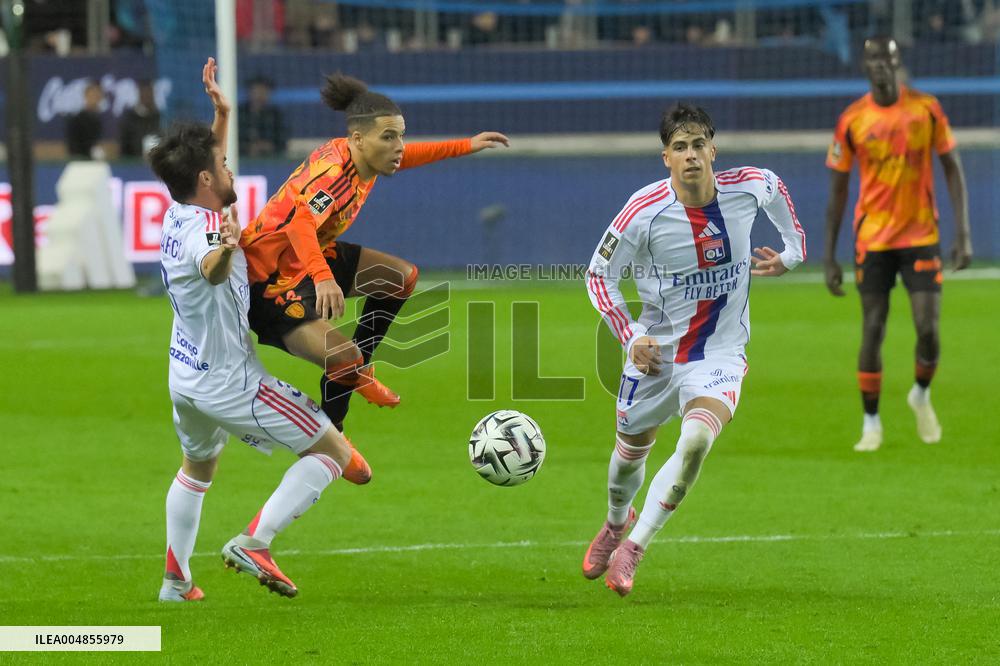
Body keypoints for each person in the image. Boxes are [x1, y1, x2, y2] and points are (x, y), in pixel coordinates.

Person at [152, 58, 369, 603]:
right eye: (223, 164)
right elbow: (210, 266)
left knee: (196, 470)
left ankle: (175, 583)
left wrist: (220, 115)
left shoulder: (177, 211)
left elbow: (207, 173)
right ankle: (256, 542)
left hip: (185, 371)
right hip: (231, 382)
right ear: (207, 179)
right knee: (333, 456)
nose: (229, 169)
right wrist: (226, 249)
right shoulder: (207, 230)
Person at [582, 103, 806, 597]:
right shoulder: (642, 212)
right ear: (666, 157)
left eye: (698, 145)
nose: (691, 156)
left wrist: (792, 252)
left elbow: (778, 189)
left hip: (720, 355)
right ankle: (617, 522)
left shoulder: (747, 187)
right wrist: (632, 335)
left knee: (697, 441)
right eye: (679, 147)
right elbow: (598, 275)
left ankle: (635, 547)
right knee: (626, 462)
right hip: (656, 356)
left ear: (713, 150)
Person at [239, 73, 509, 461]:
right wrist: (323, 279)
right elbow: (300, 221)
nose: (399, 147)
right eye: (389, 137)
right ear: (358, 139)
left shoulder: (361, 157)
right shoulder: (334, 175)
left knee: (400, 278)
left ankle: (358, 371)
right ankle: (332, 437)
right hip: (268, 279)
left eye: (400, 136)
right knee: (342, 358)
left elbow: (407, 157)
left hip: (307, 257)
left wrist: (466, 145)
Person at [823, 36, 971, 453]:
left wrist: (963, 234)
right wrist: (829, 255)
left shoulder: (926, 109)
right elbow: (837, 190)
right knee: (873, 327)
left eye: (888, 59)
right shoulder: (852, 120)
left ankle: (920, 393)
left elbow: (952, 169)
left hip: (921, 234)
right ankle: (871, 423)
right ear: (866, 66)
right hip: (873, 240)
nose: (881, 67)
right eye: (874, 60)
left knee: (928, 330)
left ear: (897, 63)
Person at [238, 75, 287, 158]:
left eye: (264, 91)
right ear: (249, 92)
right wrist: (247, 147)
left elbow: (282, 141)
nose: (259, 95)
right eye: (256, 91)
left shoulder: (275, 115)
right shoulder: (239, 114)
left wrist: (267, 146)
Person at [119, 79, 161, 158]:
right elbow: (124, 145)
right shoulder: (129, 118)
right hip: (134, 163)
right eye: (144, 93)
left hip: (156, 161)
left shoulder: (159, 117)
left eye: (149, 93)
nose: (147, 96)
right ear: (139, 94)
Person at [66, 80, 104, 159]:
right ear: (86, 96)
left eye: (97, 96)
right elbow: (72, 147)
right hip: (81, 162)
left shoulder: (100, 120)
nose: (94, 99)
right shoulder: (77, 120)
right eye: (92, 95)